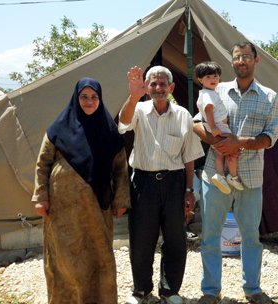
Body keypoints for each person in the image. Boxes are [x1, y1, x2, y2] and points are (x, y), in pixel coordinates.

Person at [192, 41, 278, 304]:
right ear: (232, 62)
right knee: (210, 236)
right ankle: (210, 291)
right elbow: (196, 123)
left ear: (256, 60)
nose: (241, 61)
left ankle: (252, 289)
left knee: (251, 237)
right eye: (237, 57)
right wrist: (218, 143)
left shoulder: (269, 96)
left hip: (250, 177)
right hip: (215, 175)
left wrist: (238, 143)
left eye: (246, 57)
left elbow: (270, 137)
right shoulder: (214, 88)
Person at [32, 78, 130, 303]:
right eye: (84, 97)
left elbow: (120, 167)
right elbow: (42, 164)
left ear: (100, 99)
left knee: (99, 256)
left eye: (94, 97)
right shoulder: (57, 129)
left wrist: (121, 199)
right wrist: (41, 197)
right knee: (65, 259)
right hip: (62, 211)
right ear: (76, 99)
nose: (89, 101)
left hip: (96, 208)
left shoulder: (109, 131)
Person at [119, 66, 204, 304]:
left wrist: (190, 190)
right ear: (146, 87)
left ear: (171, 88)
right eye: (153, 84)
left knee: (175, 239)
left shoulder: (182, 115)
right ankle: (141, 290)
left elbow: (189, 156)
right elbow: (123, 123)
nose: (157, 89)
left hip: (174, 183)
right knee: (141, 239)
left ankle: (169, 290)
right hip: (143, 182)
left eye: (162, 84)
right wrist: (134, 95)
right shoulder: (138, 109)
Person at [195, 61, 243, 193]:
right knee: (232, 150)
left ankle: (220, 175)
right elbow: (208, 111)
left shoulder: (212, 92)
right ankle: (233, 177)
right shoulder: (207, 95)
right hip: (219, 127)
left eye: (215, 76)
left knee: (220, 153)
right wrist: (214, 127)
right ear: (200, 79)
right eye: (208, 77)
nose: (213, 79)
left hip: (220, 125)